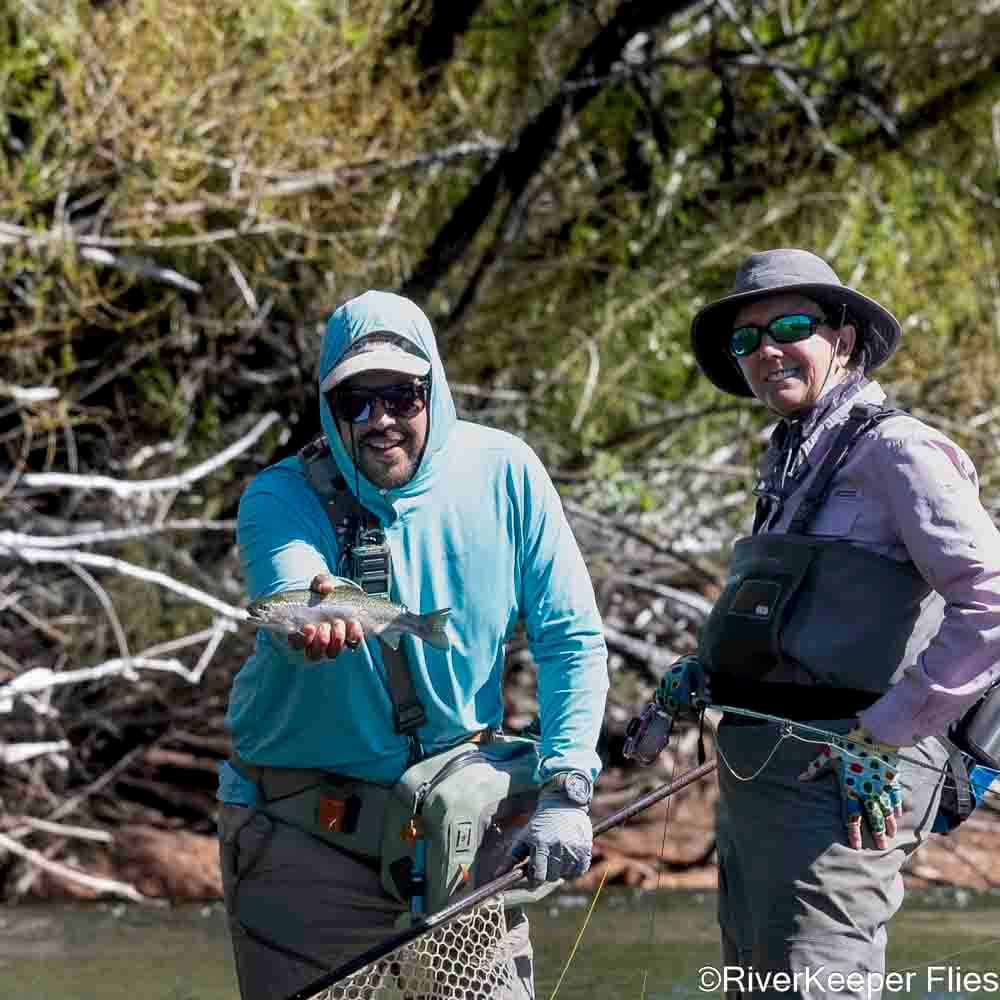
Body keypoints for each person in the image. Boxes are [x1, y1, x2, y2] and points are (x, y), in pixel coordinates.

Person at [217, 290, 609, 1000]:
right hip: (303, 839)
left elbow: (571, 638)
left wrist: (568, 786)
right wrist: (311, 616)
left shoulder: (507, 470)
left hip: (458, 830)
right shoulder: (277, 496)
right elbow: (293, 575)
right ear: (328, 408)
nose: (381, 421)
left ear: (434, 386)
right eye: (355, 403)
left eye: (400, 395)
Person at [634, 249, 1000, 998]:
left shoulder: (897, 451)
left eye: (791, 326)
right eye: (746, 340)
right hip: (762, 782)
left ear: (843, 337)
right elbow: (802, 618)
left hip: (848, 783)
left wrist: (889, 730)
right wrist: (697, 678)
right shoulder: (794, 455)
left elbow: (991, 601)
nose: (767, 351)